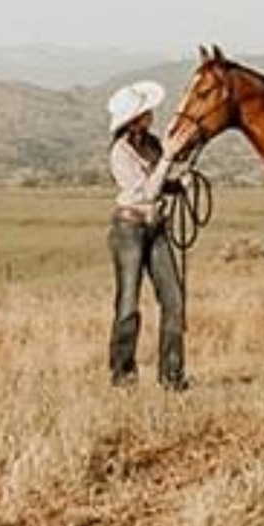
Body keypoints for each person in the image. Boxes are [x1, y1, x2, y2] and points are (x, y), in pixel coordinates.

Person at [106, 80, 190, 390]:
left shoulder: (152, 144)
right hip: (129, 229)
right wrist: (167, 160)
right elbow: (145, 191)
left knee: (174, 300)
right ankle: (123, 375)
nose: (151, 114)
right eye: (145, 111)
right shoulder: (120, 152)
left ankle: (172, 377)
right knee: (128, 303)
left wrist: (177, 180)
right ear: (134, 117)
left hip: (156, 228)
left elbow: (160, 181)